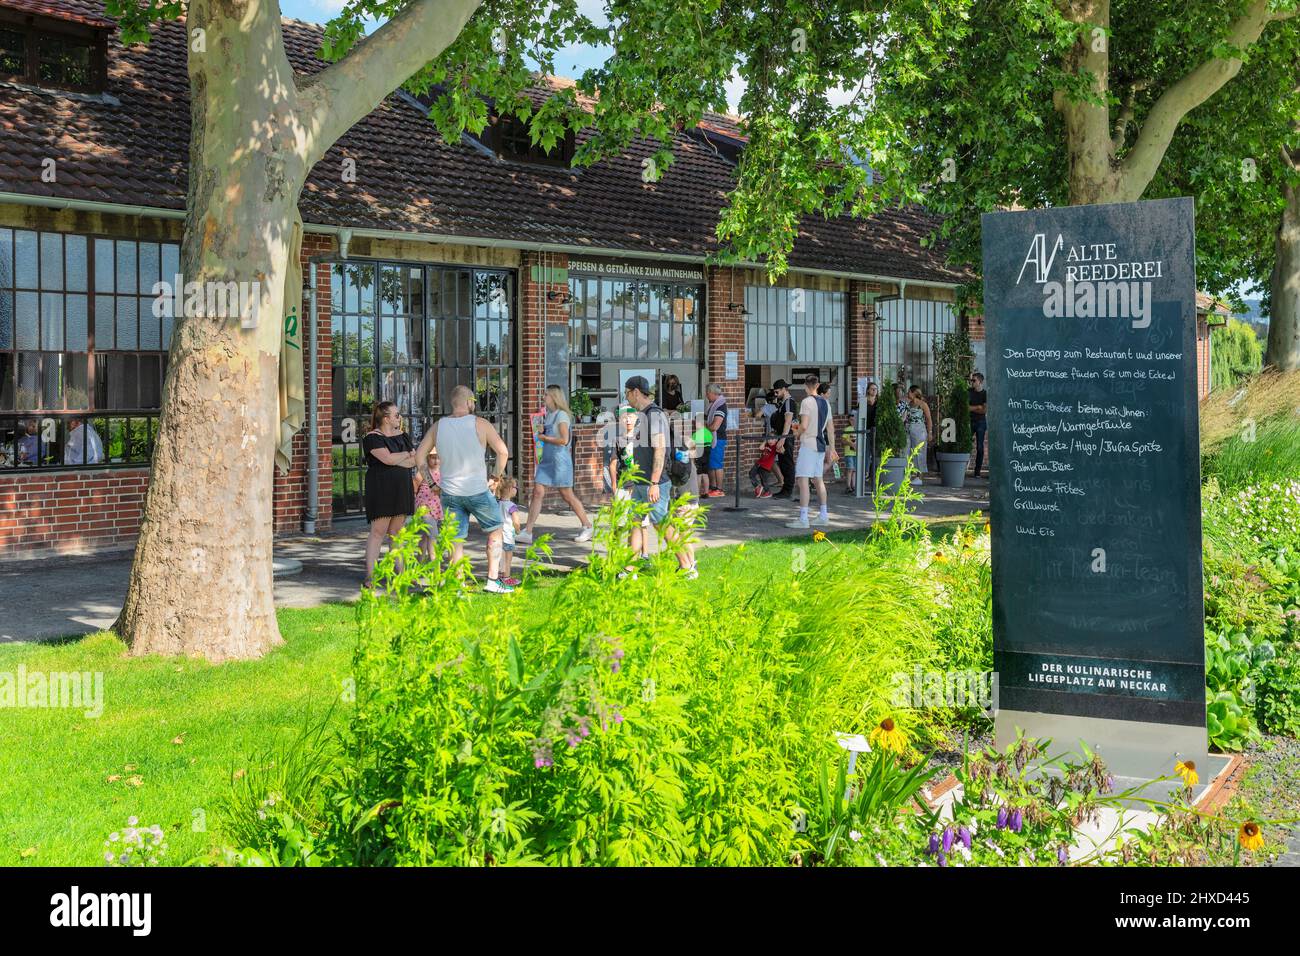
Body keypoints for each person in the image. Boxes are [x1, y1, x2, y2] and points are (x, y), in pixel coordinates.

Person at [414, 384, 513, 593]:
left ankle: (456, 585)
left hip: (449, 492)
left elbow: (419, 456)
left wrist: (432, 484)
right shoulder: (480, 423)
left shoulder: (438, 426)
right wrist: (495, 478)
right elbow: (503, 452)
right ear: (469, 402)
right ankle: (493, 581)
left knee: (455, 539)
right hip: (477, 489)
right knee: (495, 531)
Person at [620, 375, 697, 579]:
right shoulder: (642, 415)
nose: (626, 398)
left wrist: (654, 482)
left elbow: (660, 449)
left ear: (636, 392)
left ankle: (687, 566)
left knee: (661, 523)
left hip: (654, 483)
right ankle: (629, 569)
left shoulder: (654, 415)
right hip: (640, 482)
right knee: (635, 522)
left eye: (627, 393)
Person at [519, 385, 594, 545]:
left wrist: (545, 438)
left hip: (560, 461)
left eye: (546, 394)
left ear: (554, 397)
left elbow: (564, 440)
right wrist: (540, 431)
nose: (543, 397)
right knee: (537, 492)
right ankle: (528, 531)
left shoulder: (561, 416)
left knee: (567, 495)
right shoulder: (549, 415)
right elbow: (546, 434)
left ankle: (587, 525)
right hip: (547, 460)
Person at [362, 401, 418, 585]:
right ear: (386, 418)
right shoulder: (372, 438)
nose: (398, 418)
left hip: (401, 488)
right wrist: (405, 454)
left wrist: (400, 458)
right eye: (395, 415)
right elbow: (386, 459)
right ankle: (371, 575)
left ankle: (400, 574)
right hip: (381, 489)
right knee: (378, 532)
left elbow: (414, 460)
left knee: (397, 532)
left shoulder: (403, 436)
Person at [786, 373, 837, 529]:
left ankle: (803, 518)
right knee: (818, 480)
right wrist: (833, 449)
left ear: (805, 386)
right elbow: (830, 428)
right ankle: (823, 515)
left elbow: (804, 425)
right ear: (817, 385)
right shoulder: (826, 403)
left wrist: (796, 432)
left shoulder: (806, 402)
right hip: (821, 445)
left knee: (803, 481)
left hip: (808, 444)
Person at [491, 474, 525, 588]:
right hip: (508, 537)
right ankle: (506, 578)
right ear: (510, 489)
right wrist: (518, 530)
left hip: (497, 536)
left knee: (499, 557)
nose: (517, 490)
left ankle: (498, 576)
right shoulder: (512, 506)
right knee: (508, 559)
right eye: (516, 487)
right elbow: (516, 522)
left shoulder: (497, 503)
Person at [413, 449, 443, 565]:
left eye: (438, 457)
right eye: (433, 457)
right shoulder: (423, 472)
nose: (436, 460)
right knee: (433, 534)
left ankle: (417, 567)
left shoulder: (442, 471)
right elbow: (414, 486)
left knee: (425, 538)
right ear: (427, 458)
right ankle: (435, 568)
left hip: (435, 506)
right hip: (424, 506)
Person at [700, 383, 728, 498]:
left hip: (718, 439)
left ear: (712, 393)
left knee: (717, 465)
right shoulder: (713, 405)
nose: (706, 396)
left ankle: (720, 489)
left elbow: (715, 426)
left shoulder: (720, 406)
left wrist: (704, 427)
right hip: (712, 439)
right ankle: (713, 487)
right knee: (711, 464)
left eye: (707, 393)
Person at [770, 379, 797, 499]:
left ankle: (787, 490)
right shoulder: (784, 402)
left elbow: (788, 421)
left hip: (786, 437)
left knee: (787, 463)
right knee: (783, 462)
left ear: (783, 389)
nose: (775, 395)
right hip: (784, 436)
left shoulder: (788, 402)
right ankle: (785, 488)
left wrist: (783, 438)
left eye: (777, 392)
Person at [904, 385, 933, 485]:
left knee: (919, 452)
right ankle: (907, 475)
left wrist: (930, 433)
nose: (907, 394)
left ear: (914, 393)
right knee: (907, 451)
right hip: (908, 429)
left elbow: (929, 419)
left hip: (919, 430)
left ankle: (919, 477)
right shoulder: (908, 404)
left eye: (909, 392)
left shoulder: (922, 404)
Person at [968, 371, 988, 478]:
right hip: (970, 421)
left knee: (980, 447)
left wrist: (973, 408)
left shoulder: (985, 394)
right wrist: (978, 407)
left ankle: (977, 471)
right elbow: (966, 408)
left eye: (974, 380)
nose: (972, 382)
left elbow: (984, 410)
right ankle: (963, 467)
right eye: (971, 380)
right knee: (966, 444)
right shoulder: (969, 392)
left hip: (981, 422)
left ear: (980, 381)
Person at [841, 430, 857, 494]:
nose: (853, 421)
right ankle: (848, 487)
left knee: (854, 470)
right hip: (849, 453)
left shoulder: (859, 427)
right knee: (850, 469)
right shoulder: (848, 428)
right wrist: (850, 444)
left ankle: (853, 486)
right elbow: (843, 441)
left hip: (856, 453)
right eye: (851, 419)